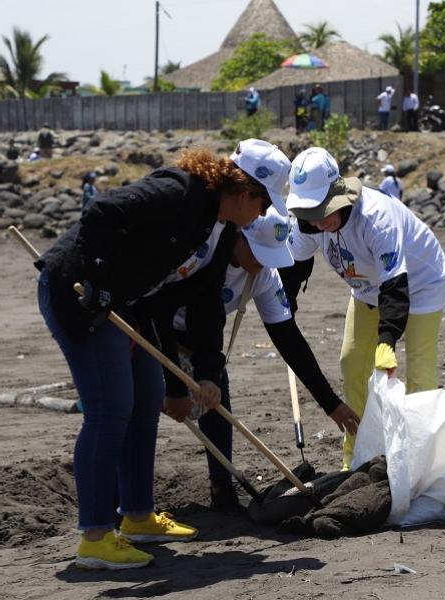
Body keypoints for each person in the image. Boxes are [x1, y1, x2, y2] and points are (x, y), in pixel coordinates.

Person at [34, 138, 291, 570]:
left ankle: (137, 517)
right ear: (244, 192)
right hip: (79, 297)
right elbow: (102, 212)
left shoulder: (222, 228)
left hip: (127, 306)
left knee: (147, 396)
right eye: (264, 203)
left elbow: (206, 304)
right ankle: (95, 537)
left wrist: (207, 373)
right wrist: (96, 282)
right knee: (110, 409)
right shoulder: (179, 191)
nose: (263, 214)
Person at [159, 208, 360, 509]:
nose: (263, 262)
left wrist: (329, 403)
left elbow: (288, 339)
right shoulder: (201, 254)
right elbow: (155, 305)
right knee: (139, 404)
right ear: (239, 236)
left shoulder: (264, 275)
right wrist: (173, 387)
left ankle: (222, 489)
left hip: (200, 340)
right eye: (259, 253)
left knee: (215, 397)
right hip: (154, 327)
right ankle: (122, 501)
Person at [282, 147, 445, 470]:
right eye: (309, 213)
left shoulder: (376, 218)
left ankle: (421, 464)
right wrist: (284, 306)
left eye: (322, 211)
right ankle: (358, 456)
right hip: (366, 288)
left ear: (337, 194)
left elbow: (395, 287)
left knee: (419, 374)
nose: (317, 222)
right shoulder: (310, 224)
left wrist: (387, 340)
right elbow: (293, 267)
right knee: (352, 365)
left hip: (420, 283)